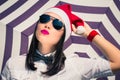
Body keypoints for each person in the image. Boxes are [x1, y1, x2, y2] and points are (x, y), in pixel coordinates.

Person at [1, 4, 120, 80]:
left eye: (57, 24)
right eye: (44, 19)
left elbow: (118, 61)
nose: (47, 25)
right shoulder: (13, 64)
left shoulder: (75, 65)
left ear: (64, 35)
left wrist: (89, 34)